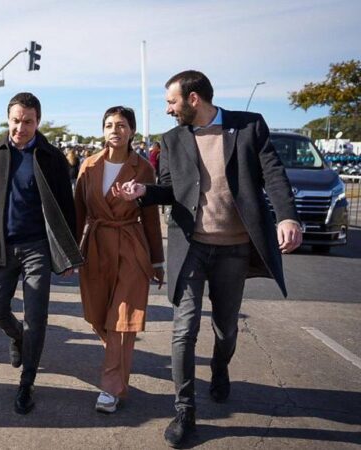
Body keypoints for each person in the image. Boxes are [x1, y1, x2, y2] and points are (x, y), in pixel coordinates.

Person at [112, 70, 302, 448]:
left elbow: (273, 175)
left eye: (171, 101)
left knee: (226, 328)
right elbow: (169, 190)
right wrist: (142, 192)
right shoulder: (172, 139)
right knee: (184, 329)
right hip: (192, 245)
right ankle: (185, 411)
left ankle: (219, 367)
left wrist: (288, 216)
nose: (168, 109)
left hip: (234, 247)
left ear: (193, 99)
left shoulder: (248, 127)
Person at [0, 92, 82, 415]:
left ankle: (27, 382)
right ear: (9, 119)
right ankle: (16, 337)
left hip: (37, 250)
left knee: (37, 318)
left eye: (27, 122)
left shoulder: (52, 157)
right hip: (0, 246)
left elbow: (66, 209)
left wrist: (69, 254)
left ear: (37, 122)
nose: (20, 128)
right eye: (15, 121)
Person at [73, 106, 164, 414]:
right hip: (96, 248)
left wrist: (157, 261)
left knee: (122, 320)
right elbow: (78, 213)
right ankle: (119, 362)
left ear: (131, 131)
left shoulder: (143, 168)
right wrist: (70, 253)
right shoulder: (88, 166)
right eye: (109, 125)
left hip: (131, 247)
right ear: (103, 131)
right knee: (99, 318)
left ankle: (110, 389)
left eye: (122, 125)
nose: (115, 130)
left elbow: (151, 217)